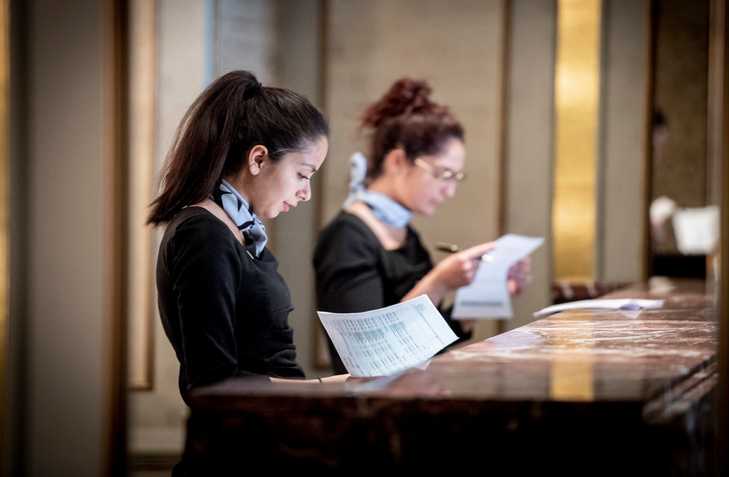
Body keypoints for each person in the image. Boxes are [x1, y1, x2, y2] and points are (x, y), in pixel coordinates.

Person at [313, 78, 530, 374]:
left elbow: (419, 346)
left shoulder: (407, 234)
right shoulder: (347, 237)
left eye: (456, 178)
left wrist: (483, 293)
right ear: (398, 161)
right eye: (443, 174)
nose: (449, 191)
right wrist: (440, 281)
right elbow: (364, 360)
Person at [147, 70, 336, 407]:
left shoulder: (236, 228)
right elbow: (212, 382)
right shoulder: (203, 235)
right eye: (302, 175)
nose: (305, 193)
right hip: (240, 445)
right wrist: (326, 387)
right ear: (258, 158)